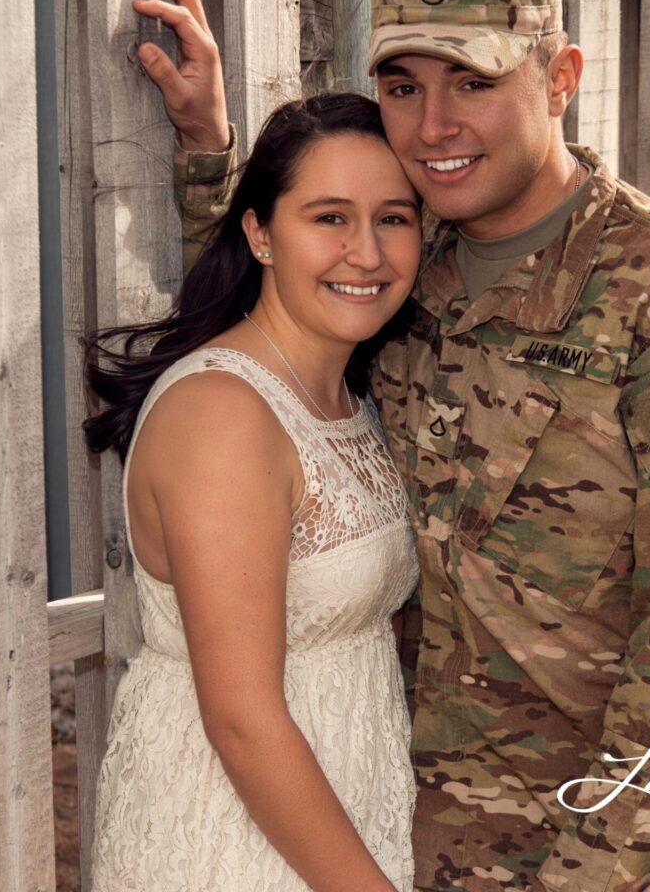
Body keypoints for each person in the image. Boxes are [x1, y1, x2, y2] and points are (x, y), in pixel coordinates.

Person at [137, 0, 650, 892]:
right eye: (404, 86)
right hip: (449, 839)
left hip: (638, 855)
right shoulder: (414, 262)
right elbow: (288, 306)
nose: (433, 125)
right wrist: (213, 154)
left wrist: (593, 875)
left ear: (560, 76)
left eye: (474, 81)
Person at [83, 92, 423, 891]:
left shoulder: (350, 392)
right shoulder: (223, 415)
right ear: (260, 233)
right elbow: (241, 719)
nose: (366, 253)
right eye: (329, 218)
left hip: (342, 806)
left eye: (394, 218)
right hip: (235, 836)